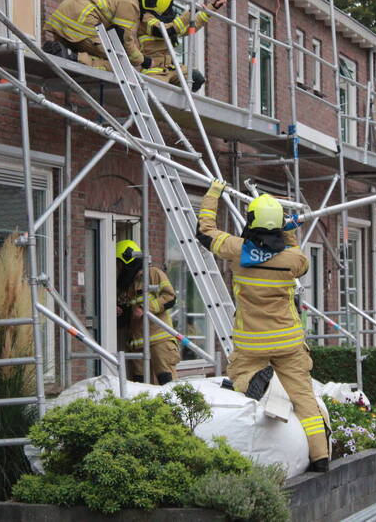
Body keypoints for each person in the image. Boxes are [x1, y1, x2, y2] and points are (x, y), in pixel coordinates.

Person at [196, 179, 330, 472]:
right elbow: (296, 253)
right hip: (289, 341)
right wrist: (289, 229)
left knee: (238, 376)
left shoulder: (236, 249)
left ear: (252, 221)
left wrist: (213, 193)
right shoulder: (293, 260)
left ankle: (256, 380)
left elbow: (204, 233)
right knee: (304, 398)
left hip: (252, 342)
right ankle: (321, 456)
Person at [42, 0, 173, 68]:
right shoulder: (130, 3)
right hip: (81, 26)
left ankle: (61, 50)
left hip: (63, 20)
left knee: (106, 53)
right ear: (152, 0)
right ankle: (71, 56)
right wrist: (142, 60)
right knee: (119, 63)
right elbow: (125, 41)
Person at [114, 239, 180, 385]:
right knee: (140, 387)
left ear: (127, 259)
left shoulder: (153, 274)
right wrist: (121, 312)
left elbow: (170, 297)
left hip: (160, 341)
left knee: (167, 384)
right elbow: (130, 314)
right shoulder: (127, 286)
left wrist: (145, 309)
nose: (118, 268)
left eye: (119, 264)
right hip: (137, 345)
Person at [138, 0, 227, 92]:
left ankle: (182, 102)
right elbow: (167, 30)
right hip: (153, 69)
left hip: (170, 67)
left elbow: (191, 27)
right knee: (158, 91)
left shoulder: (168, 20)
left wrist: (212, 8)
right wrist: (191, 12)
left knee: (197, 79)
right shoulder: (146, 20)